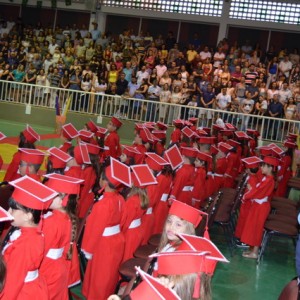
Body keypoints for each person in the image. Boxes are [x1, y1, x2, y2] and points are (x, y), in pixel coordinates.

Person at [2, 176, 58, 299]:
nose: (9, 211)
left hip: (22, 293)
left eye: (13, 209)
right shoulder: (32, 233)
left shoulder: (24, 245)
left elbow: (13, 283)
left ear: (28, 216)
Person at [81, 158, 130, 300]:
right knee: (109, 276)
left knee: (99, 278)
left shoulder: (102, 204)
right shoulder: (120, 198)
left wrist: (88, 249)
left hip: (104, 245)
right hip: (117, 241)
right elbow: (123, 221)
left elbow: (93, 228)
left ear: (105, 182)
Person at [41, 173, 84, 299]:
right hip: (60, 268)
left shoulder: (50, 222)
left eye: (51, 194)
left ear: (63, 200)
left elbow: (40, 252)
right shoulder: (69, 217)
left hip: (47, 270)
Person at [240, 156, 279, 259]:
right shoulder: (267, 178)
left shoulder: (269, 180)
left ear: (270, 167)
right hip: (258, 205)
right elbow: (257, 189)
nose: (261, 168)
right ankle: (252, 248)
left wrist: (246, 195)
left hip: (261, 207)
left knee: (257, 228)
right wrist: (252, 190)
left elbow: (257, 191)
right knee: (253, 227)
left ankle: (255, 252)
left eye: (263, 166)